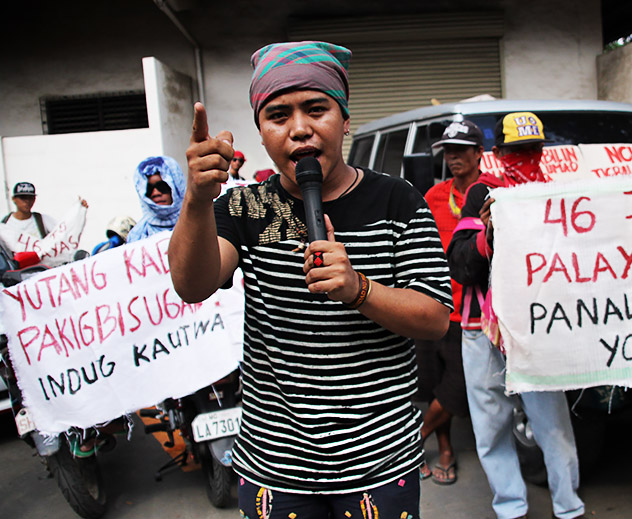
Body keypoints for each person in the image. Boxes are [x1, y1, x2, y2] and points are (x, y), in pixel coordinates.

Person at [168, 41, 452, 519]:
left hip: (380, 466)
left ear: (344, 119)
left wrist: (359, 288)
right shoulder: (244, 207)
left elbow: (436, 319)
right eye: (278, 115)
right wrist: (197, 198)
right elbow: (191, 285)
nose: (299, 129)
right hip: (274, 468)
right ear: (261, 133)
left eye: (316, 109)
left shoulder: (397, 201)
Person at [448, 111, 585, 519]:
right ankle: (510, 508)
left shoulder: (558, 198)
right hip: (481, 329)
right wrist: (486, 237)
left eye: (532, 150)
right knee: (491, 428)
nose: (525, 158)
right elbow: (460, 265)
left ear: (542, 151)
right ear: (499, 152)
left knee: (553, 425)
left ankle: (568, 507)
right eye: (516, 151)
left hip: (536, 330)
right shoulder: (481, 196)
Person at [416, 120, 492, 485]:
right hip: (436, 307)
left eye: (462, 150)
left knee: (455, 391)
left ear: (480, 153)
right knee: (435, 384)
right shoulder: (434, 196)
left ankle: (413, 441)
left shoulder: (491, 194)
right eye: (448, 150)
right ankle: (445, 451)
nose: (453, 157)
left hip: (473, 315)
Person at [126, 155, 186, 243]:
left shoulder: (200, 225)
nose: (156, 193)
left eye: (162, 186)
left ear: (177, 187)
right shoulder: (137, 237)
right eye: (149, 189)